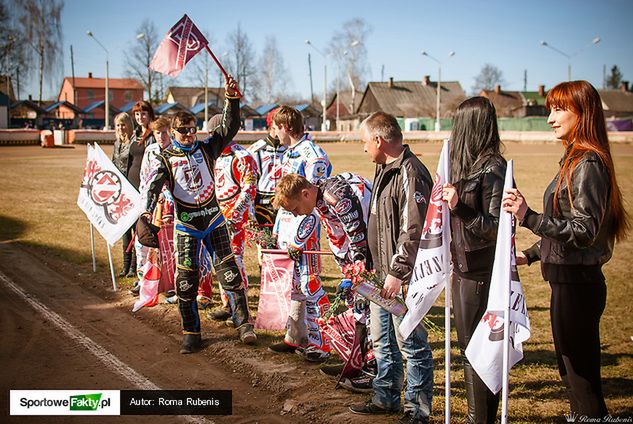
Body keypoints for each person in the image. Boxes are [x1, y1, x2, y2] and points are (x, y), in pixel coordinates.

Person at [503, 80, 628, 419]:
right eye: (549, 110)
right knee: (572, 377)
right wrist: (531, 254)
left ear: (582, 113)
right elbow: (567, 227)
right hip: (566, 282)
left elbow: (584, 230)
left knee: (581, 381)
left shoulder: (587, 164)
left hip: (579, 285)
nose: (550, 118)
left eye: (558, 109)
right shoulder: (573, 159)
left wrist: (528, 217)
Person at [141, 76, 256, 353]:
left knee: (229, 272)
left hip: (214, 220)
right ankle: (191, 332)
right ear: (174, 131)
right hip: (187, 225)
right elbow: (154, 184)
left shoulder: (207, 148)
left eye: (192, 130)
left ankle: (244, 325)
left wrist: (232, 99)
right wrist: (146, 210)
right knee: (186, 280)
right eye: (183, 131)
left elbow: (230, 126)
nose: (189, 135)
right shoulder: (165, 157)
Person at [350, 111, 434, 424]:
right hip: (380, 275)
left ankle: (417, 409)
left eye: (363, 141)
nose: (362, 148)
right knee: (382, 340)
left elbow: (413, 228)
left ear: (378, 140)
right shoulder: (383, 168)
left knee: (411, 344)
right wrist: (367, 259)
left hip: (404, 277)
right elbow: (379, 222)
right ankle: (385, 396)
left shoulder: (411, 171)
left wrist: (398, 271)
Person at [273, 172, 375, 388]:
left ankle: (373, 370)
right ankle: (357, 361)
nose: (297, 214)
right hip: (355, 258)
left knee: (369, 310)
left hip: (371, 254)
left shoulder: (337, 195)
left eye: (295, 208)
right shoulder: (321, 197)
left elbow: (358, 236)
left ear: (305, 193)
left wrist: (356, 270)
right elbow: (338, 234)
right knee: (356, 308)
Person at [441, 97, 506, 424]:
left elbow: (497, 229)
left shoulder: (493, 167)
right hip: (463, 269)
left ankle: (479, 419)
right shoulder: (466, 163)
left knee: (478, 352)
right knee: (469, 351)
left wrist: (460, 207)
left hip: (480, 273)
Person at [267, 105, 333, 363]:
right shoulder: (288, 153)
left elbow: (313, 203)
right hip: (287, 228)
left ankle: (322, 341)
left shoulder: (313, 156)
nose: (273, 133)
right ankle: (296, 337)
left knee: (310, 284)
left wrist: (299, 238)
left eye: (274, 128)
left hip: (305, 233)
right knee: (295, 286)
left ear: (284, 126)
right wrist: (277, 229)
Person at [202, 113, 258, 319]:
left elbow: (249, 188)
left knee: (234, 259)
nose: (209, 137)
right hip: (214, 215)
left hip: (234, 217)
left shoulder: (242, 157)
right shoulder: (210, 155)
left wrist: (235, 215)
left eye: (212, 133)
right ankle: (228, 304)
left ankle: (241, 307)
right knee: (219, 260)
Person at [132, 116, 174, 296]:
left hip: (171, 205)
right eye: (158, 133)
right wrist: (145, 205)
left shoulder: (176, 150)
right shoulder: (150, 151)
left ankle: (170, 282)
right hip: (151, 203)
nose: (162, 136)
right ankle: (144, 279)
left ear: (170, 132)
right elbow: (144, 179)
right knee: (143, 241)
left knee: (169, 243)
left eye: (164, 132)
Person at [112, 112, 137, 278]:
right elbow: (113, 165)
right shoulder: (117, 144)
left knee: (136, 231)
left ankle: (134, 267)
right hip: (121, 193)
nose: (121, 128)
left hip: (134, 191)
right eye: (118, 125)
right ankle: (125, 265)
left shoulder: (135, 144)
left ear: (129, 125)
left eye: (123, 124)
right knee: (125, 231)